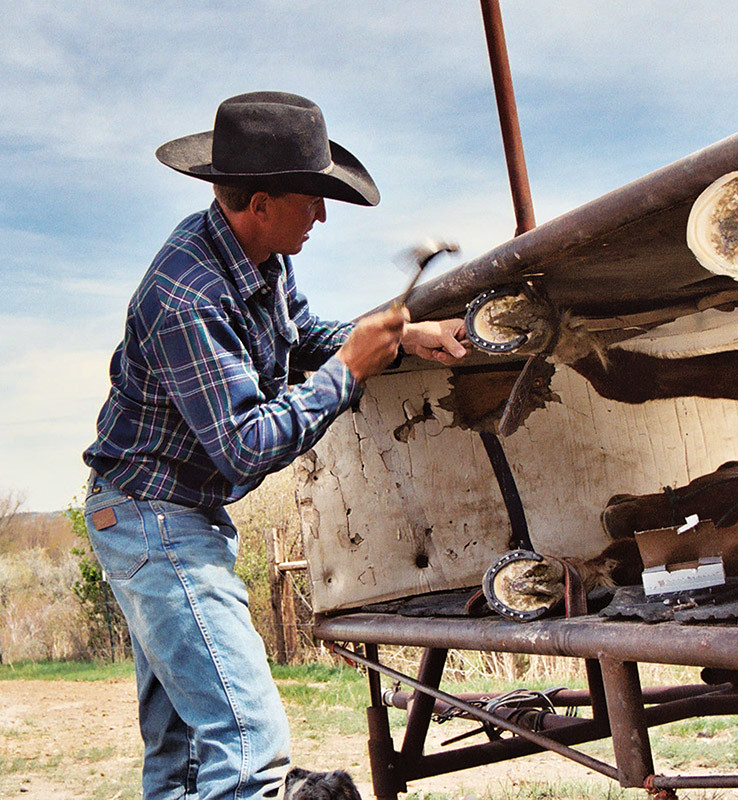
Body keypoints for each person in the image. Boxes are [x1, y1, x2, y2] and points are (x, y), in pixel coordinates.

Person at [82, 91, 468, 800]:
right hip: (154, 518)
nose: (321, 215)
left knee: (183, 759)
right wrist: (349, 370)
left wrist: (400, 337)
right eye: (310, 199)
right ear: (260, 203)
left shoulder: (259, 261)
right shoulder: (186, 295)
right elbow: (244, 444)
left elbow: (300, 338)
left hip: (167, 517)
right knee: (246, 743)